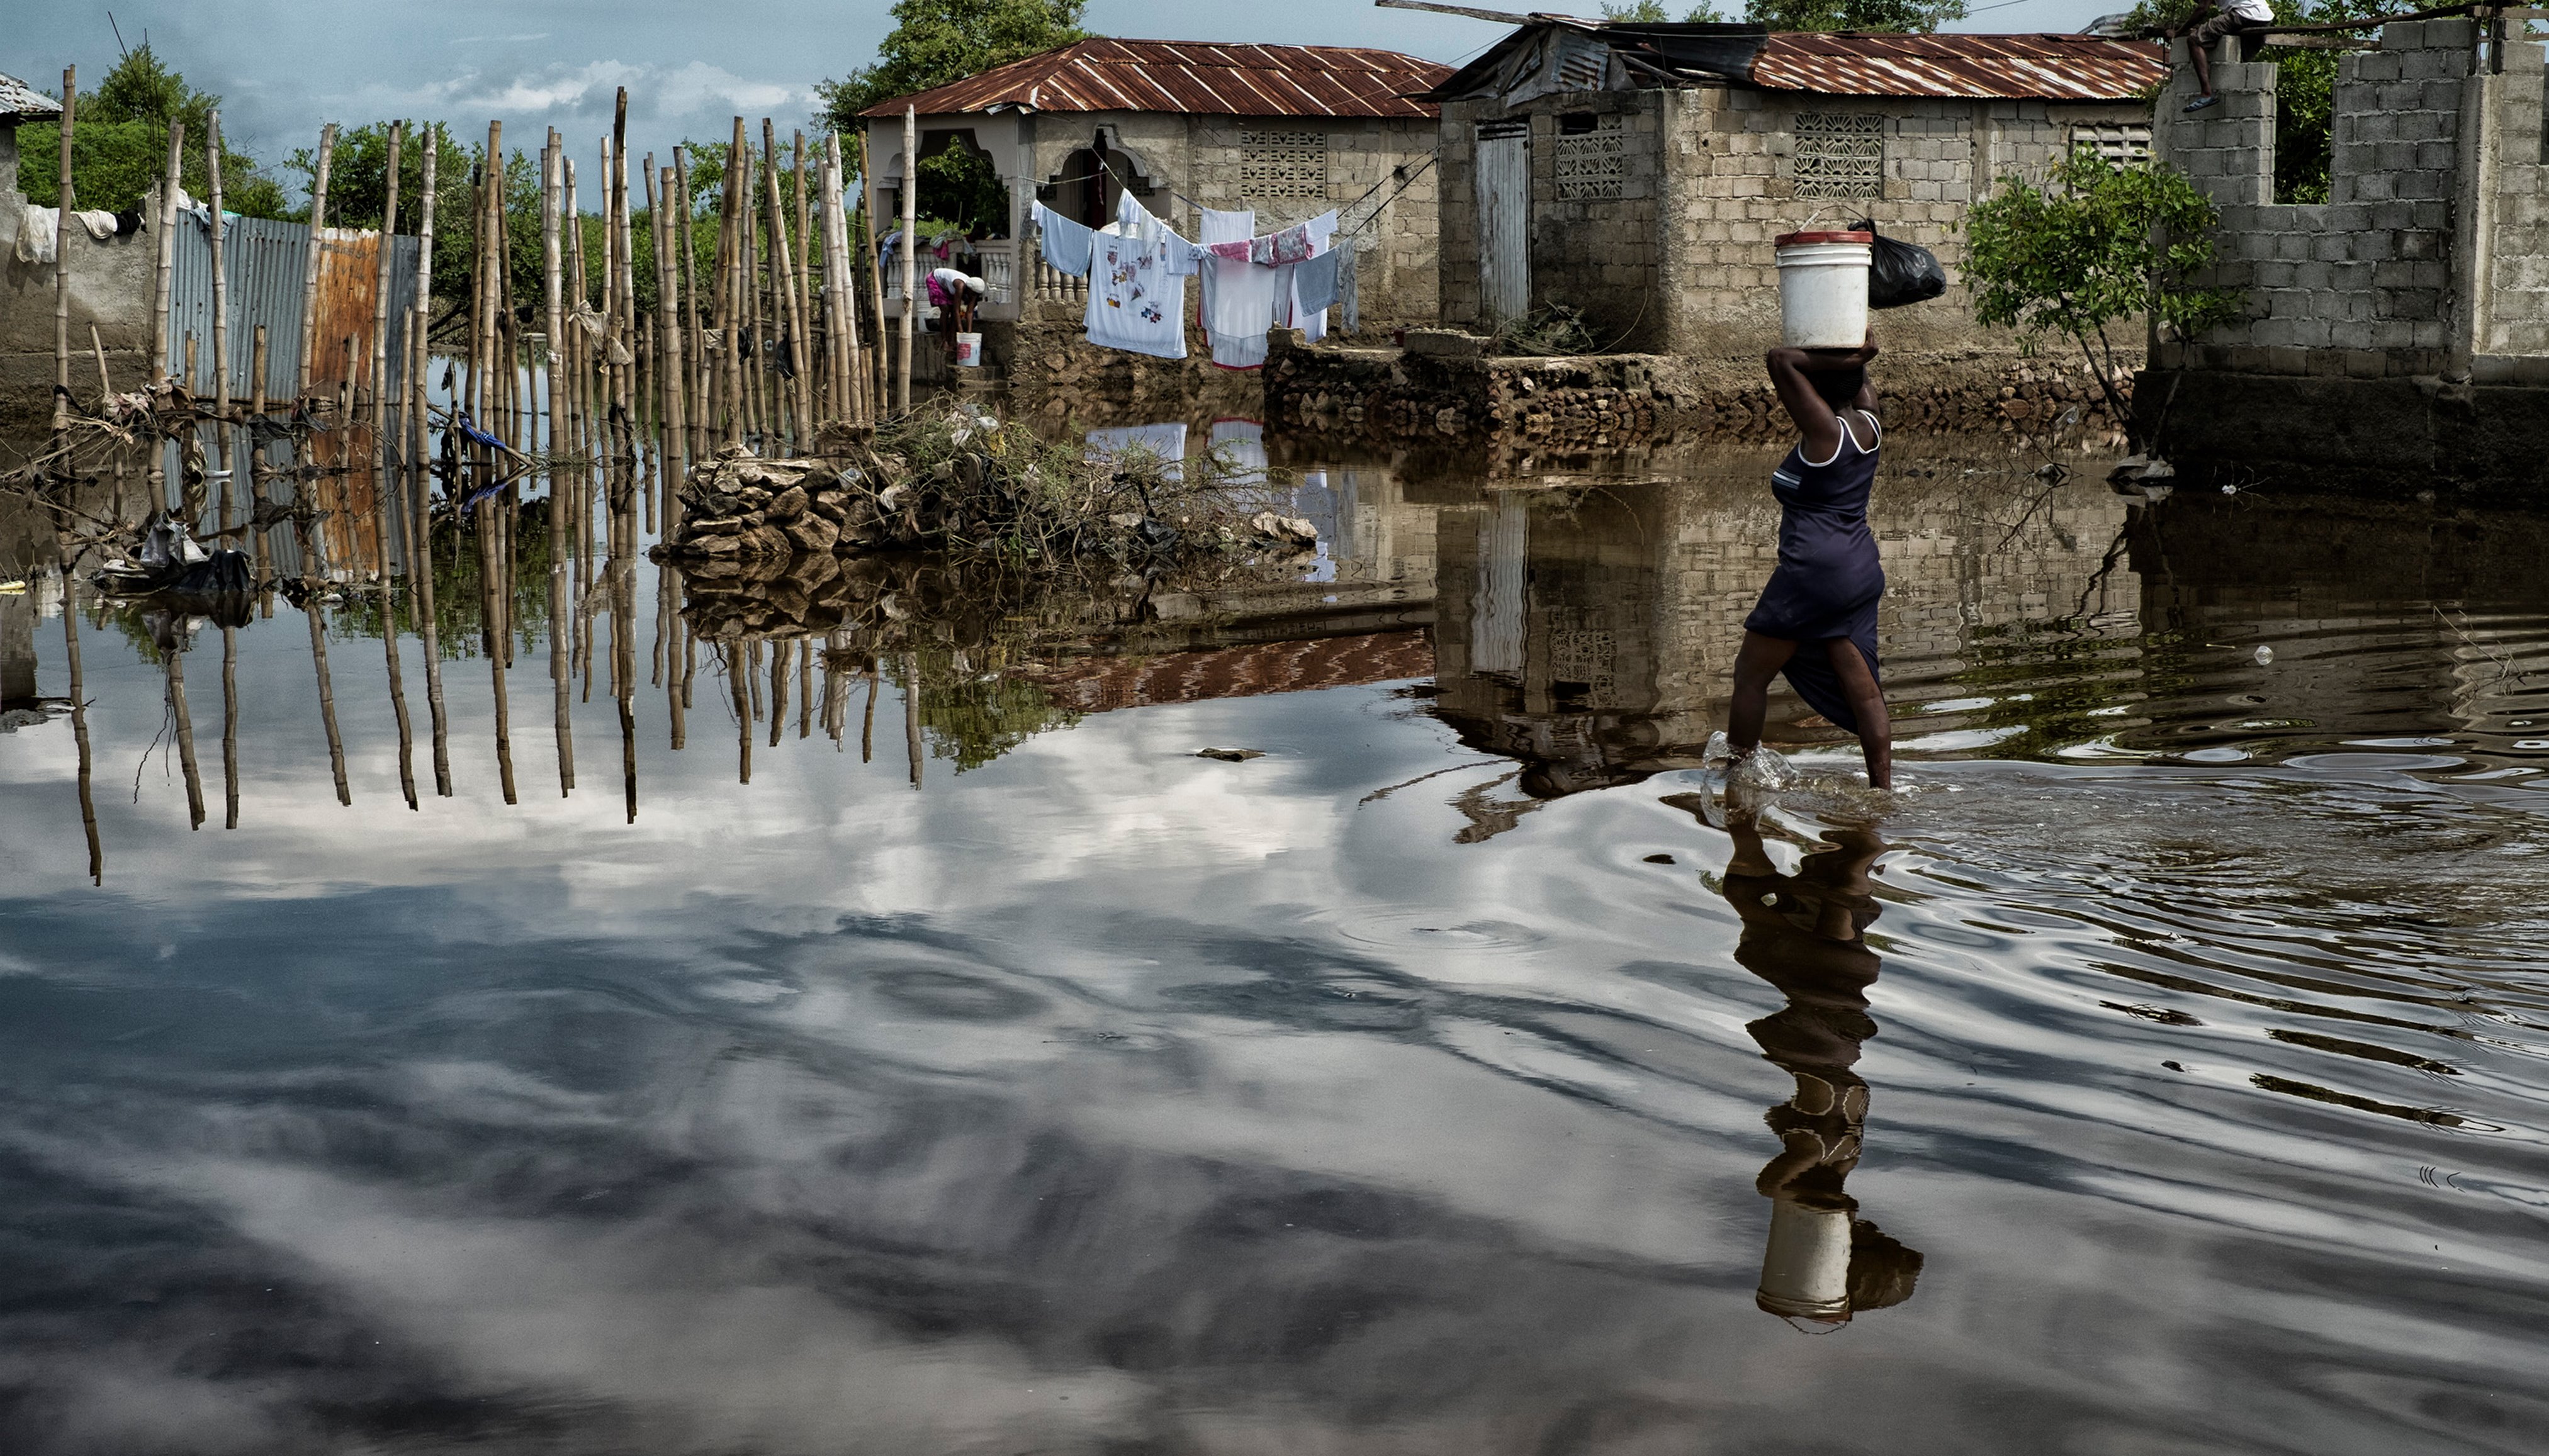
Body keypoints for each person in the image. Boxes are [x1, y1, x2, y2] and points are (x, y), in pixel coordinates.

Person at [1727, 340, 1891, 790]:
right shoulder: (1870, 422)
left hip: (1814, 573)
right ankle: (1882, 792)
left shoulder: (1827, 435)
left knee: (1750, 676)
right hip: (1860, 570)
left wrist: (1857, 356)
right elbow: (1858, 381)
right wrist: (1856, 338)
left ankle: (1734, 778)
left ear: (1812, 390)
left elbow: (1780, 359)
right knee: (1864, 691)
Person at [2177, 0, 2274, 113]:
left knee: (2195, 40)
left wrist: (2177, 32)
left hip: (2244, 14)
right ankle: (2237, 100)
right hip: (2264, 17)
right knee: (2241, 57)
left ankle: (2207, 93)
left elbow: (2202, 10)